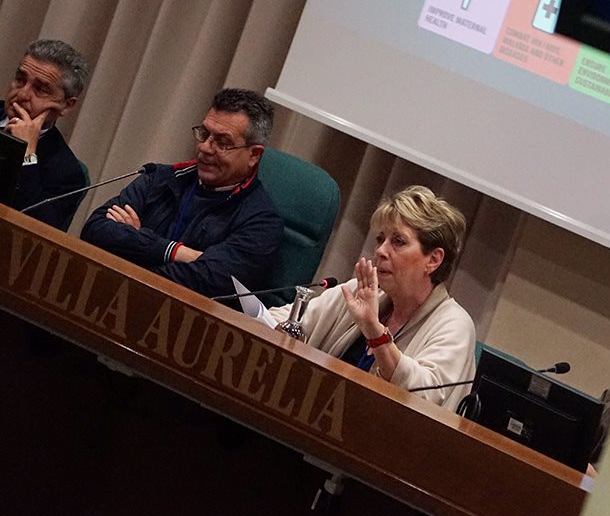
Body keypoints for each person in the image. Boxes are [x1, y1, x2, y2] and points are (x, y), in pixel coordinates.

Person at [268, 185, 477, 411]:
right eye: (380, 239)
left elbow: (423, 397)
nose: (380, 251)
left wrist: (374, 330)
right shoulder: (362, 291)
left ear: (433, 260)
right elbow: (282, 319)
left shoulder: (454, 325)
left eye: (398, 241)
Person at [81, 87, 282, 298]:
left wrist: (135, 245)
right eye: (204, 134)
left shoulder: (262, 223)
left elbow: (208, 280)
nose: (204, 148)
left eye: (223, 143)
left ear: (254, 154)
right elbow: (95, 229)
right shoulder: (158, 178)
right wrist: (176, 252)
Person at [2, 38, 91, 230]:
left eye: (40, 89)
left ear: (67, 105)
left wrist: (27, 155)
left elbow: (35, 233)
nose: (22, 94)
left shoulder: (68, 174)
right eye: (20, 79)